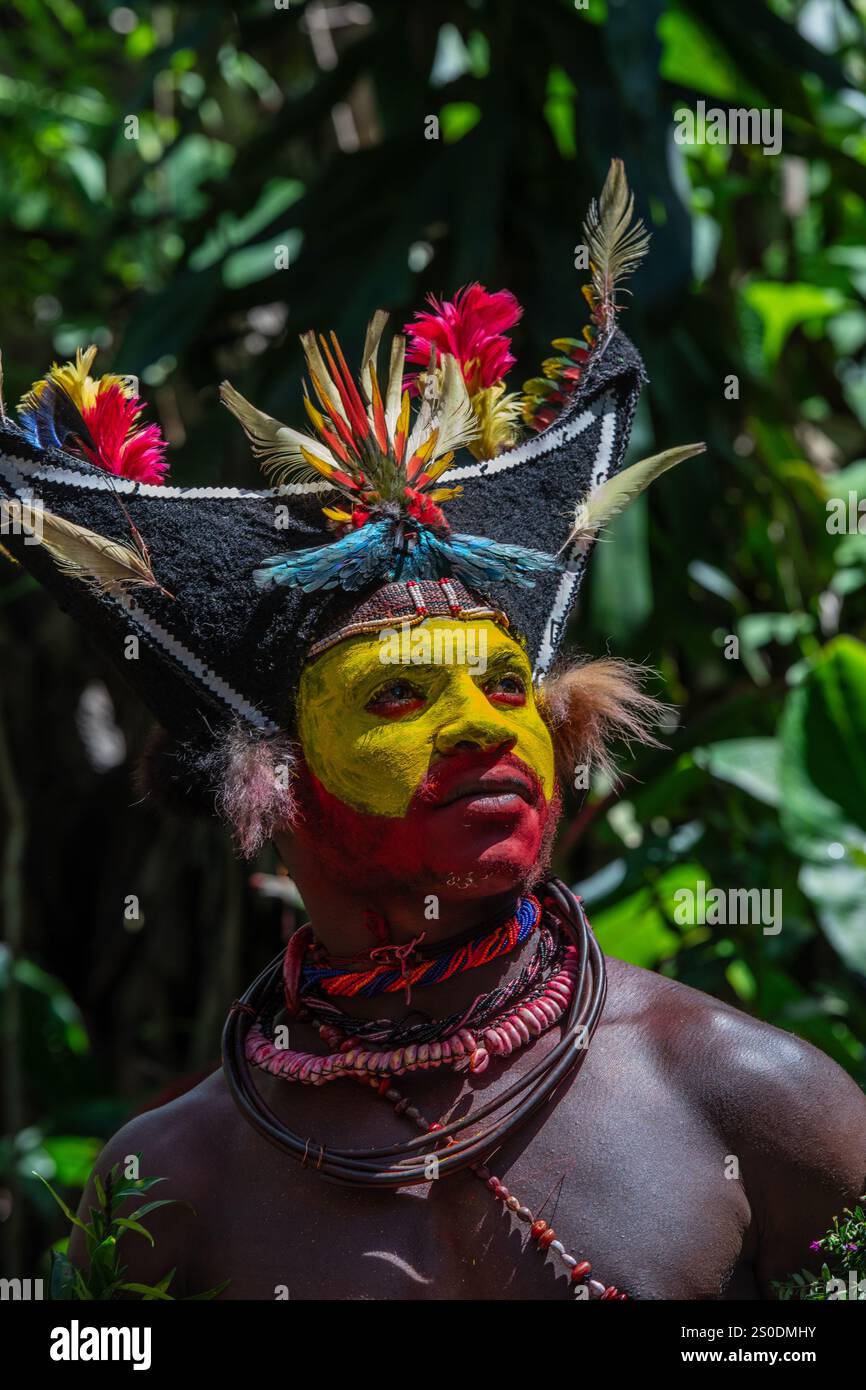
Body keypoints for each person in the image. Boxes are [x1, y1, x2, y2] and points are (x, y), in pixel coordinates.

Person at [2, 164, 863, 1301]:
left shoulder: (755, 1103)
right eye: (397, 698)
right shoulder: (172, 1187)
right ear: (272, 779)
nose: (481, 731)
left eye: (507, 688)